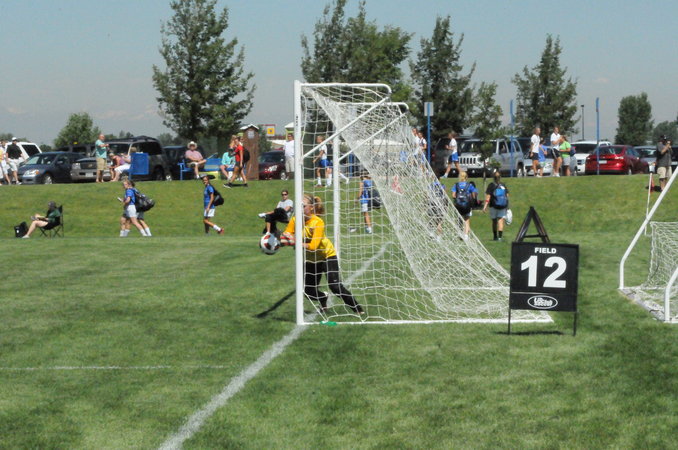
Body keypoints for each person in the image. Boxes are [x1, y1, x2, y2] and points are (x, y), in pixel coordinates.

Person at [282, 194, 364, 315]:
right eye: (298, 206)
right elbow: (286, 234)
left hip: (327, 255)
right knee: (308, 292)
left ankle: (358, 310)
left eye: (303, 206)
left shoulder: (317, 222)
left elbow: (313, 246)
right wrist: (277, 239)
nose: (300, 208)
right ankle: (322, 297)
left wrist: (294, 242)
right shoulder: (295, 220)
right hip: (311, 259)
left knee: (335, 286)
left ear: (311, 207)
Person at [483, 172, 510, 241]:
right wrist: (507, 205)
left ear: (493, 177)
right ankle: (500, 237)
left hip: (493, 205)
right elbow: (507, 196)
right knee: (500, 221)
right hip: (502, 206)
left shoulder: (491, 185)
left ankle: (495, 237)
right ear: (500, 177)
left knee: (494, 221)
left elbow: (488, 197)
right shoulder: (503, 185)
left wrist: (485, 206)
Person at [451, 171, 478, 240]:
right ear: (466, 177)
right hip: (467, 205)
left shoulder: (456, 185)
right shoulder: (470, 185)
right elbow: (474, 195)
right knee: (467, 219)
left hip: (458, 205)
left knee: (459, 219)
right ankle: (466, 235)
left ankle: (460, 233)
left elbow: (453, 195)